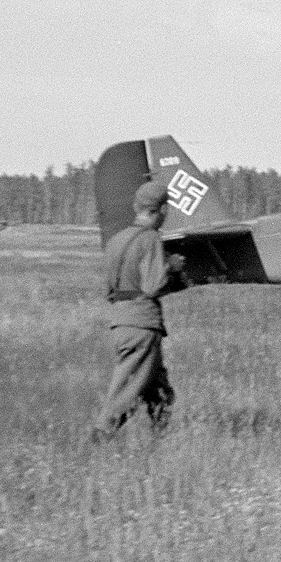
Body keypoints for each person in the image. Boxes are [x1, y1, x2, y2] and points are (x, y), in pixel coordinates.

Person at [95, 180, 187, 440]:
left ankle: (160, 444)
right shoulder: (150, 239)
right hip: (142, 324)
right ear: (162, 210)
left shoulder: (116, 240)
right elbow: (154, 285)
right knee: (129, 388)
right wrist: (171, 267)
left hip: (120, 320)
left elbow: (112, 285)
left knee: (159, 390)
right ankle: (101, 435)